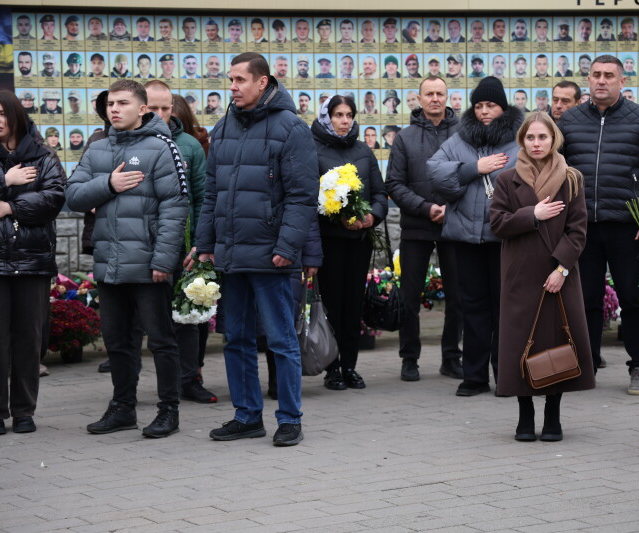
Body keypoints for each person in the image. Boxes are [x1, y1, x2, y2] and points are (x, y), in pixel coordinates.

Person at [194, 53, 317, 446]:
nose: (231, 87)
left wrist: (287, 246)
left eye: (239, 80)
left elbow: (301, 196)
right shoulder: (224, 126)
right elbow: (212, 192)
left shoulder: (292, 129)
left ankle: (290, 418)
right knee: (236, 340)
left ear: (262, 83)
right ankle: (247, 415)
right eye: (230, 80)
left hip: (271, 256)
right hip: (232, 255)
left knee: (281, 340)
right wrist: (205, 243)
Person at [66, 80, 188, 438]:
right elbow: (72, 196)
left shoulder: (161, 147)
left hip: (149, 264)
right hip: (110, 263)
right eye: (110, 104)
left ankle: (169, 411)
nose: (114, 109)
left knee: (161, 340)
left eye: (122, 103)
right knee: (117, 341)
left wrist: (164, 261)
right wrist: (109, 184)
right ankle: (123, 408)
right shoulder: (97, 149)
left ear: (142, 109)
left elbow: (175, 207)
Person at [558, 55, 639, 394]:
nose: (601, 81)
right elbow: (554, 172)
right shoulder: (570, 120)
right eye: (595, 75)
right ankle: (585, 366)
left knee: (631, 299)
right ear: (587, 81)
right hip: (582, 227)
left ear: (622, 81)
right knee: (586, 299)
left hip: (627, 226)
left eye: (609, 75)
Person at [489, 111, 595, 441]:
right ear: (523, 140)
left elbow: (578, 231)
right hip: (520, 276)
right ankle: (524, 415)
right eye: (531, 137)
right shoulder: (506, 179)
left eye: (543, 137)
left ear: (554, 140)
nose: (537, 143)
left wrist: (562, 268)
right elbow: (498, 224)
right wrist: (531, 214)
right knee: (520, 343)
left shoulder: (571, 178)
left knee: (557, 341)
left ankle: (553, 416)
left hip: (558, 276)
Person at [428, 77, 524, 397]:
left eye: (491, 105)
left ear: (503, 107)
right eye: (479, 105)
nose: (484, 111)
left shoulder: (517, 140)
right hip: (467, 240)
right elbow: (435, 171)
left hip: (504, 239)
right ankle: (474, 376)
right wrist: (474, 167)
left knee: (504, 310)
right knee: (473, 308)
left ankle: (505, 374)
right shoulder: (460, 138)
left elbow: (529, 180)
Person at [386, 77, 463, 382]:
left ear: (448, 98)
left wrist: (449, 208)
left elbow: (471, 177)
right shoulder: (404, 137)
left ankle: (451, 357)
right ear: (418, 98)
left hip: (454, 225)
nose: (434, 98)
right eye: (428, 94)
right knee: (409, 296)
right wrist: (425, 208)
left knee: (457, 295)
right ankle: (409, 358)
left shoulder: (463, 134)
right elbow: (394, 183)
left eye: (439, 94)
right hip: (416, 228)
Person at [0, 91, 65, 436]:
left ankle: (24, 411)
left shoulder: (43, 156)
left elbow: (53, 199)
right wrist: (5, 182)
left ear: (15, 116)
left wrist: (8, 206)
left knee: (28, 339)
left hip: (33, 261)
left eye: (0, 113)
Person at [144, 81, 215, 404]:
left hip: (183, 246)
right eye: (152, 108)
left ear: (173, 109)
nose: (159, 115)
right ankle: (141, 387)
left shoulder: (188, 145)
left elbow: (201, 199)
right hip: (142, 246)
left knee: (187, 316)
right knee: (145, 321)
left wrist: (200, 244)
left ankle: (189, 379)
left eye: (165, 108)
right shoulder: (129, 143)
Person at [312, 95, 387, 391]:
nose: (344, 121)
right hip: (330, 242)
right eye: (338, 115)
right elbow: (307, 197)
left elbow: (380, 193)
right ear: (326, 117)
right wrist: (335, 215)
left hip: (358, 242)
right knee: (331, 306)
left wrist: (372, 216)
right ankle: (332, 368)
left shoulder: (363, 151)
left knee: (353, 306)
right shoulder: (314, 149)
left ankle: (350, 366)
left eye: (349, 115)